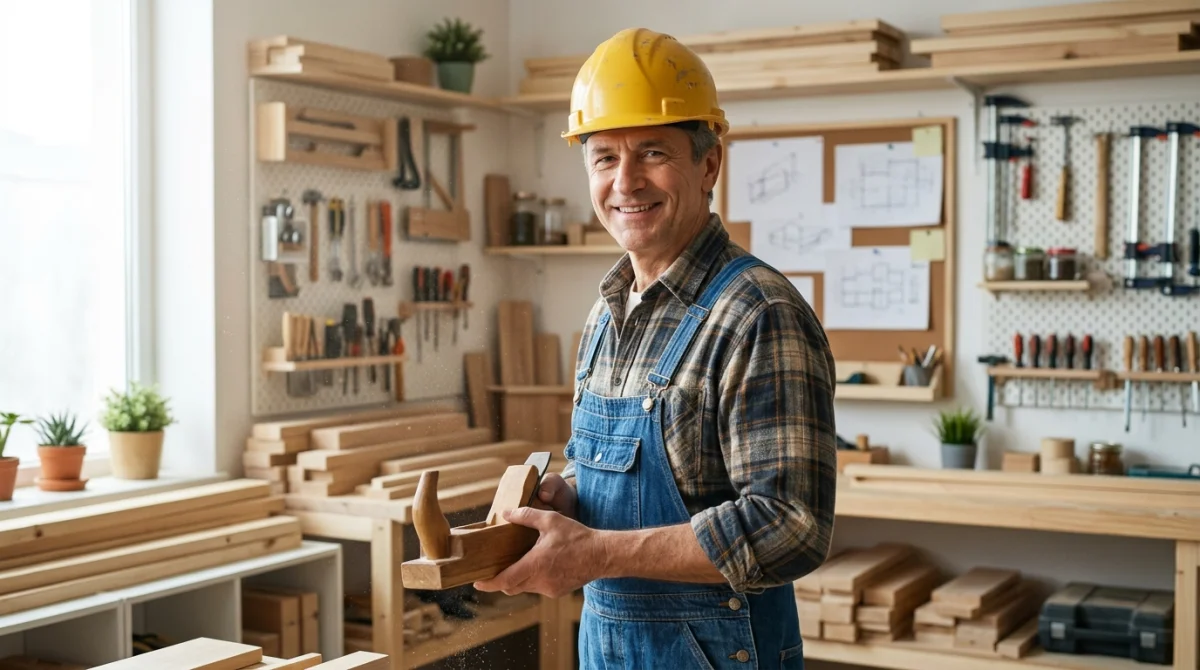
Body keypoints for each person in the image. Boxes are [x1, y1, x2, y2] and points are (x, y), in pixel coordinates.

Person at [474, 27, 838, 669]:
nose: (626, 181)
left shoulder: (757, 313)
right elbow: (628, 486)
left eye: (652, 152)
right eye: (604, 157)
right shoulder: (606, 316)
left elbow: (791, 528)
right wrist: (568, 498)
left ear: (708, 164)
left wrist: (596, 553)